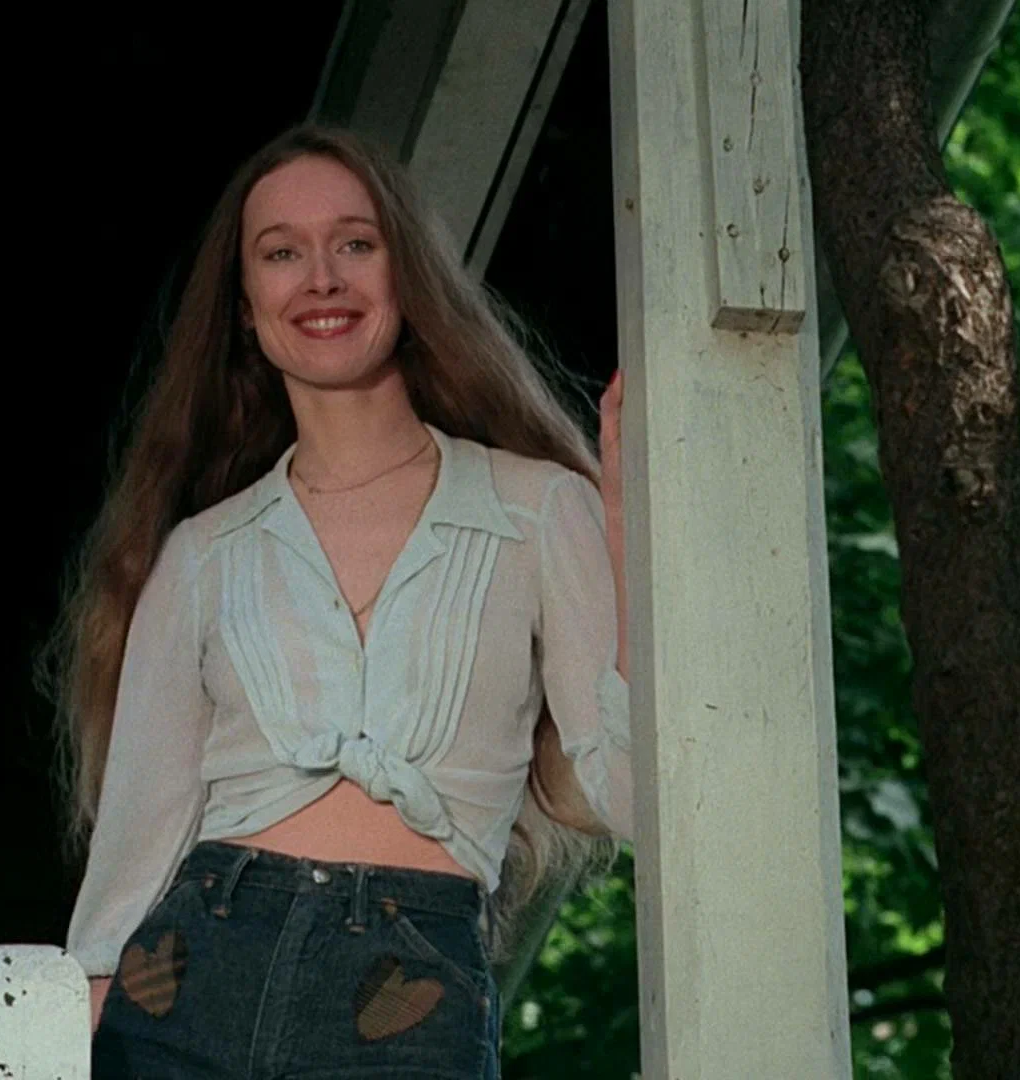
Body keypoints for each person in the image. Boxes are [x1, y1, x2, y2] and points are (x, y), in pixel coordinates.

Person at [39, 123, 632, 1079]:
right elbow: (139, 836)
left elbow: (632, 790)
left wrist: (625, 523)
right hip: (189, 971)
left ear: (408, 275)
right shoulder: (204, 554)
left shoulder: (537, 510)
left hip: (411, 980)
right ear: (245, 307)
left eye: (356, 243)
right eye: (282, 253)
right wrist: (82, 1003)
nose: (321, 278)